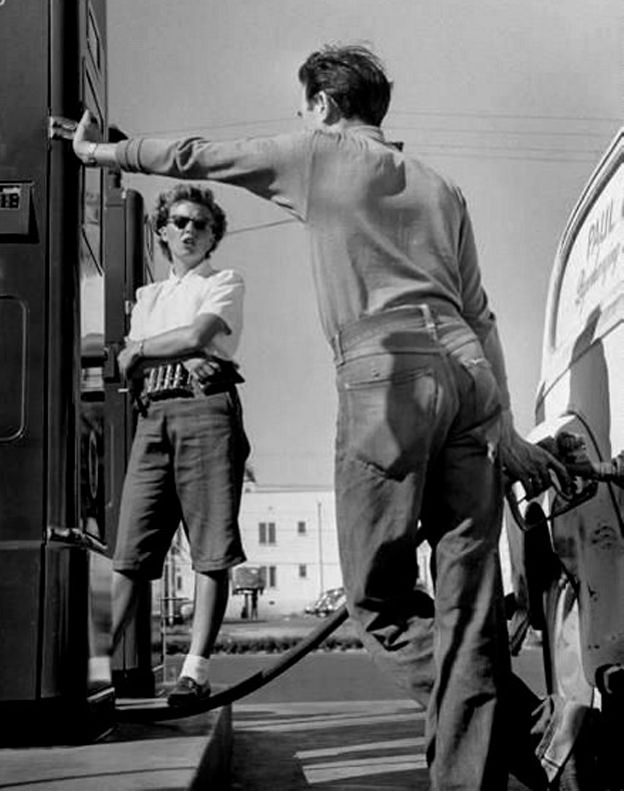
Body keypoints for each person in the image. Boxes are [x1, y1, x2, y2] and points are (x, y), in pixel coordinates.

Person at [72, 45, 594, 789]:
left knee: (377, 602)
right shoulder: (443, 187)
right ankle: (502, 756)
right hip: (470, 382)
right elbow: (480, 313)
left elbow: (199, 156)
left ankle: (532, 725)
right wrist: (503, 426)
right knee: (470, 609)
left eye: (302, 107)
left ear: (321, 103)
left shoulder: (318, 153)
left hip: (386, 376)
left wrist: (103, 149)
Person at [111, 182, 249, 709]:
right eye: (181, 222)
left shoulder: (225, 281)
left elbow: (198, 336)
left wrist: (151, 348)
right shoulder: (148, 297)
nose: (189, 231)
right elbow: (134, 359)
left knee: (210, 550)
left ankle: (194, 672)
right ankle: (91, 667)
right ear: (162, 230)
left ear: (213, 236)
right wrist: (165, 350)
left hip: (206, 409)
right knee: (130, 550)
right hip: (153, 416)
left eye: (201, 225)